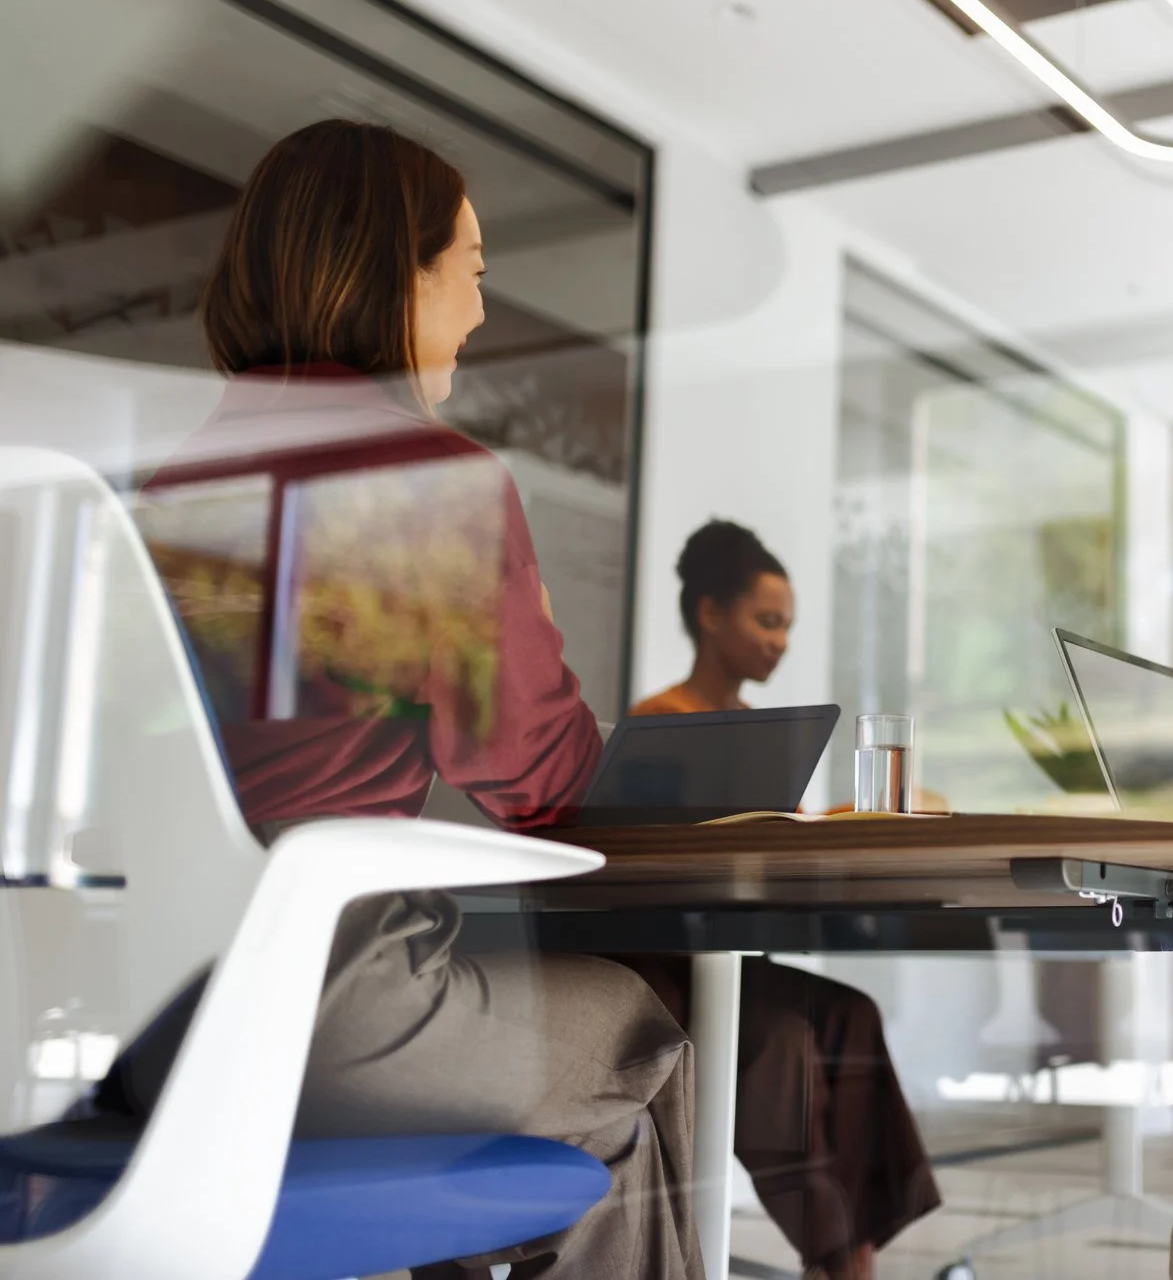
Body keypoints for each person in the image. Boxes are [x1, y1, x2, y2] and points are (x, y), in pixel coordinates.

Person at [110, 119, 702, 1279]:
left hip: (146, 1030)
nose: (479, 313)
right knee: (641, 1029)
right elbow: (537, 782)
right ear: (400, 272)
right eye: (471, 272)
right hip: (339, 1021)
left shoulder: (158, 500)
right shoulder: (423, 481)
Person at [628, 519, 942, 1280]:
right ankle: (834, 1253)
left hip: (732, 953)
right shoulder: (658, 725)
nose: (781, 641)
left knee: (851, 1014)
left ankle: (848, 1257)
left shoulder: (753, 731)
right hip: (664, 963)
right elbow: (668, 859)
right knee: (782, 1041)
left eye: (788, 626)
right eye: (767, 621)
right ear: (711, 614)